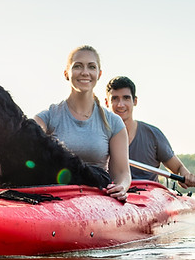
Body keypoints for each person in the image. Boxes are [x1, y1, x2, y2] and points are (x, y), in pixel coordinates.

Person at [35, 45, 131, 201]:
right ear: (67, 73)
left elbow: (122, 173)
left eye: (91, 67)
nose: (85, 72)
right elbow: (28, 132)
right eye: (78, 66)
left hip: (96, 197)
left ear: (99, 74)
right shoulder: (49, 116)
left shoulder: (114, 122)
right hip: (57, 197)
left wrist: (121, 186)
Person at [105, 76, 195, 188]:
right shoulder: (98, 135)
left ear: (135, 101)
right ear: (107, 103)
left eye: (126, 98)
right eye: (115, 99)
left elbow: (178, 168)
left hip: (148, 199)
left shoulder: (153, 134)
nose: (120, 104)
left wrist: (185, 175)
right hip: (112, 195)